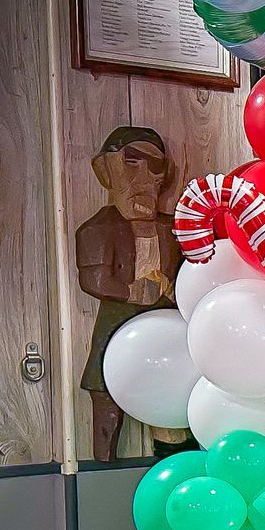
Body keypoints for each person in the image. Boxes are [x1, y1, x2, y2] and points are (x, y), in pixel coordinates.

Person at [76, 126, 181, 460]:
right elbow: (94, 280)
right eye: (131, 163)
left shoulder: (173, 229)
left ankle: (175, 465)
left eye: (155, 168)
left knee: (172, 394)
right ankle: (103, 467)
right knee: (105, 391)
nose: (144, 180)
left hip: (165, 330)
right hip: (116, 324)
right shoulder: (98, 228)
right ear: (105, 169)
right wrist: (133, 290)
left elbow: (191, 270)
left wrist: (172, 289)